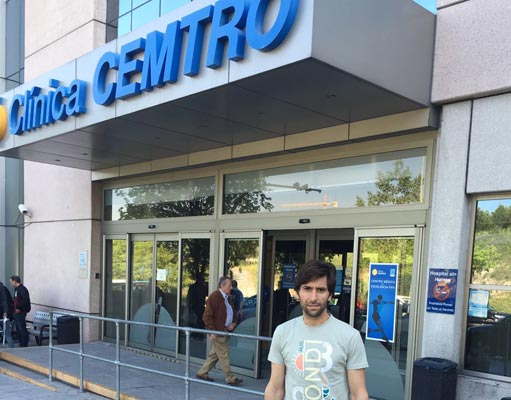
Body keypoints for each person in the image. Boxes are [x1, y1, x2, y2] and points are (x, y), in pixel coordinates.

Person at [264, 260, 369, 400]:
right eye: (307, 289)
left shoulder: (350, 336)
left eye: (321, 290)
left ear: (330, 295)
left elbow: (358, 394)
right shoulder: (282, 332)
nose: (313, 298)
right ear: (298, 292)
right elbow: (275, 389)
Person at [196, 276, 243, 386]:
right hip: (218, 331)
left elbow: (233, 312)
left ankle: (202, 372)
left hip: (224, 330)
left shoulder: (227, 297)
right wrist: (212, 331)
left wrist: (233, 323)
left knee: (215, 354)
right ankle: (230, 377)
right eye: (229, 286)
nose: (231, 288)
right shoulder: (214, 297)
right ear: (222, 286)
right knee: (223, 353)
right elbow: (207, 316)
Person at [10, 275, 31, 347]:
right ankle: (21, 344)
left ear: (15, 281)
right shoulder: (17, 289)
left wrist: (19, 308)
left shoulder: (22, 289)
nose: (11, 284)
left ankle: (24, 344)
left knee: (22, 329)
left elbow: (24, 300)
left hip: (20, 312)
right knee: (18, 329)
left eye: (11, 282)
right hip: (16, 312)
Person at [0, 281, 14, 348]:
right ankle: (12, 349)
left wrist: (5, 311)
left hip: (3, 313)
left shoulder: (1, 287)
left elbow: (4, 301)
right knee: (7, 333)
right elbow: (4, 301)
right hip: (3, 313)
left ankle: (12, 349)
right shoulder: (2, 287)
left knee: (7, 333)